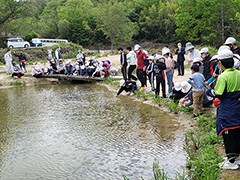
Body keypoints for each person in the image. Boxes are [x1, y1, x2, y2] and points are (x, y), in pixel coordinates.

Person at [214, 49, 240, 170]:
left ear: (221, 63)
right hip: (237, 107)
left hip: (227, 108)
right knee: (237, 132)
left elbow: (219, 93)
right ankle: (238, 157)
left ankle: (231, 161)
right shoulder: (239, 73)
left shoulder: (223, 76)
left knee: (228, 132)